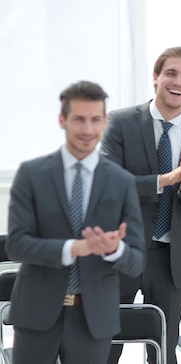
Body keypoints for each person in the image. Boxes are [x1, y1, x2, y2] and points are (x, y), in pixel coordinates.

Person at [5, 81, 145, 364]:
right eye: (79, 119)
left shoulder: (122, 182)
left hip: (94, 318)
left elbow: (137, 260)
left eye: (95, 120)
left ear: (105, 121)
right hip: (36, 313)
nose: (88, 129)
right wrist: (72, 249)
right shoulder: (32, 174)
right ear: (62, 120)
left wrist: (113, 249)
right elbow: (17, 245)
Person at [100, 46, 181, 364]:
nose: (177, 81)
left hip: (171, 260)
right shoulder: (119, 124)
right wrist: (168, 179)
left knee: (163, 348)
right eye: (170, 73)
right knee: (104, 345)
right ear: (155, 77)